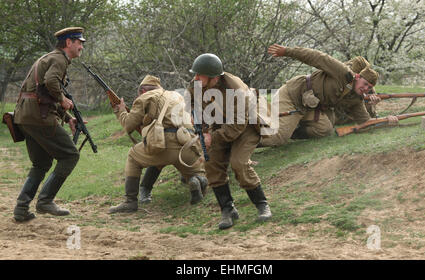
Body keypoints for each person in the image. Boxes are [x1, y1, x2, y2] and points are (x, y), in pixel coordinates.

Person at [188, 53, 272, 230]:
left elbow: (236, 127)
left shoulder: (237, 90)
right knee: (211, 163)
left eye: (199, 75)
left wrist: (213, 137)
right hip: (218, 126)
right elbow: (194, 105)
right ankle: (227, 209)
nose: (195, 78)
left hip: (245, 127)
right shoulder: (196, 84)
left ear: (214, 77)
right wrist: (200, 127)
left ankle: (262, 205)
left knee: (239, 163)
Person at [12, 27, 86, 222]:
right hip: (39, 118)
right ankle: (45, 200)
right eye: (79, 42)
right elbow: (51, 82)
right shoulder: (60, 59)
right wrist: (62, 99)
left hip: (25, 117)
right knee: (70, 155)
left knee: (41, 163)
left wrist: (68, 117)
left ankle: (21, 208)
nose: (81, 46)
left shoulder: (49, 58)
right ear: (68, 43)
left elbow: (42, 93)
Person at [260, 44, 397, 146]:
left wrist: (387, 120)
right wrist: (287, 51)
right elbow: (316, 56)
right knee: (279, 138)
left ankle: (292, 131)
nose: (366, 89)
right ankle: (245, 142)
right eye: (365, 84)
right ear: (357, 77)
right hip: (292, 95)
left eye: (370, 88)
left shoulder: (356, 99)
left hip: (311, 107)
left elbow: (365, 122)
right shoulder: (342, 72)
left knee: (325, 129)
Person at [109, 75, 207, 213]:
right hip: (188, 145)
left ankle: (130, 201)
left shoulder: (145, 97)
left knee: (133, 156)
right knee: (198, 173)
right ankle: (197, 180)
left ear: (143, 91)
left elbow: (128, 125)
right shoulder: (176, 95)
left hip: (163, 145)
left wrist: (121, 110)